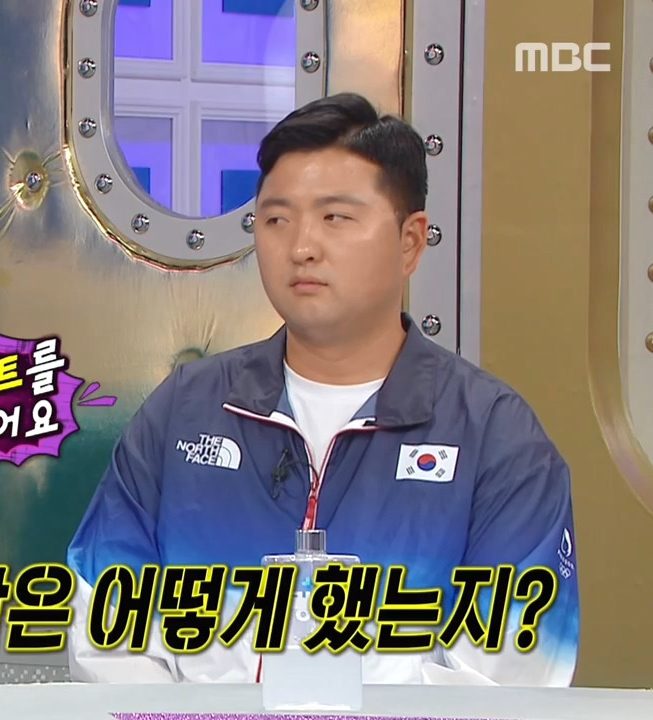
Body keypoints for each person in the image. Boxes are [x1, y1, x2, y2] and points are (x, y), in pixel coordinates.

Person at [65, 93, 579, 687]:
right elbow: (105, 632)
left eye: (335, 218)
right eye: (276, 220)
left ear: (410, 242)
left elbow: (511, 678)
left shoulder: (496, 437)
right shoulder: (185, 411)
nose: (301, 246)